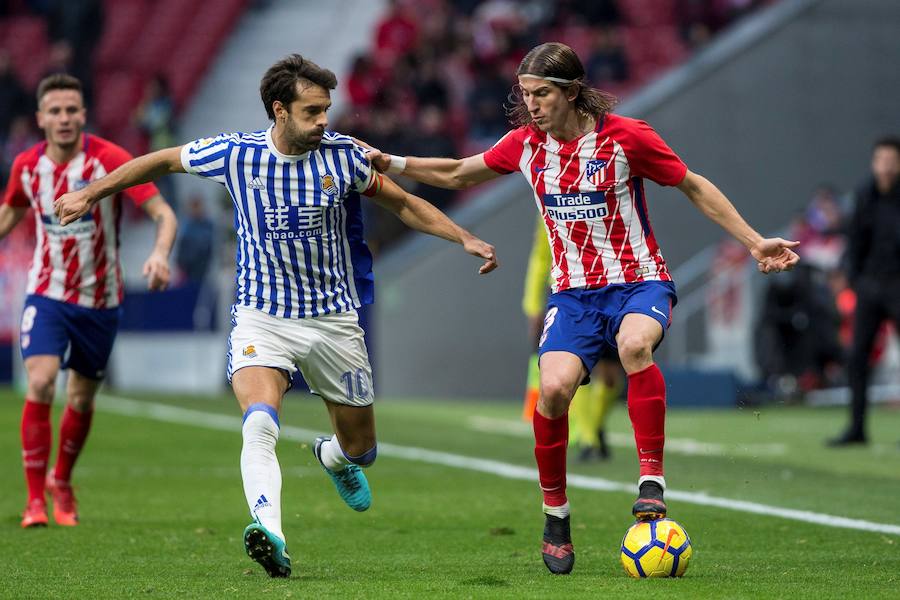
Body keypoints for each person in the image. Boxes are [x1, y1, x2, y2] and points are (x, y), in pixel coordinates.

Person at [55, 54, 498, 578]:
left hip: (334, 320)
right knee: (259, 423)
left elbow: (402, 203)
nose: (324, 121)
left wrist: (463, 237)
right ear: (279, 110)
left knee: (362, 448)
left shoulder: (346, 158)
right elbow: (160, 160)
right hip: (262, 318)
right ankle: (272, 534)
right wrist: (91, 191)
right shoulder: (234, 154)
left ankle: (333, 457)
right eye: (312, 112)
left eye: (326, 110)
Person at [365, 42, 799, 575]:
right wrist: (397, 163)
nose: (532, 106)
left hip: (639, 282)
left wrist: (755, 241)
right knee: (551, 390)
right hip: (573, 297)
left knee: (635, 345)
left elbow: (693, 185)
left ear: (572, 92)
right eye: (525, 95)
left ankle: (651, 484)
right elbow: (457, 172)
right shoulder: (525, 146)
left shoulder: (627, 137)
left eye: (542, 94)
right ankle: (556, 515)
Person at [0, 74, 176, 529]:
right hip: (48, 293)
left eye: (71, 110)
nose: (63, 119)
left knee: (80, 397)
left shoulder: (109, 160)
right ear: (40, 118)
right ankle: (35, 500)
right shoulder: (26, 166)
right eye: (54, 111)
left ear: (83, 115)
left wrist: (159, 253)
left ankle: (63, 479)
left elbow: (163, 213)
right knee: (39, 382)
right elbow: (11, 212)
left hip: (100, 300)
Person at [521, 216, 621, 461]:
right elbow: (541, 256)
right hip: (569, 293)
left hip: (612, 288)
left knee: (611, 378)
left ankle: (594, 425)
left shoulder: (606, 194)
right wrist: (533, 305)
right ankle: (587, 439)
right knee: (580, 371)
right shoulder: (552, 199)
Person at [828, 137, 900, 446]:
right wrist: (854, 279)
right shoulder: (864, 194)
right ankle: (857, 428)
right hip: (870, 285)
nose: (885, 166)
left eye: (891, 160)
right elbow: (855, 240)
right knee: (857, 355)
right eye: (880, 160)